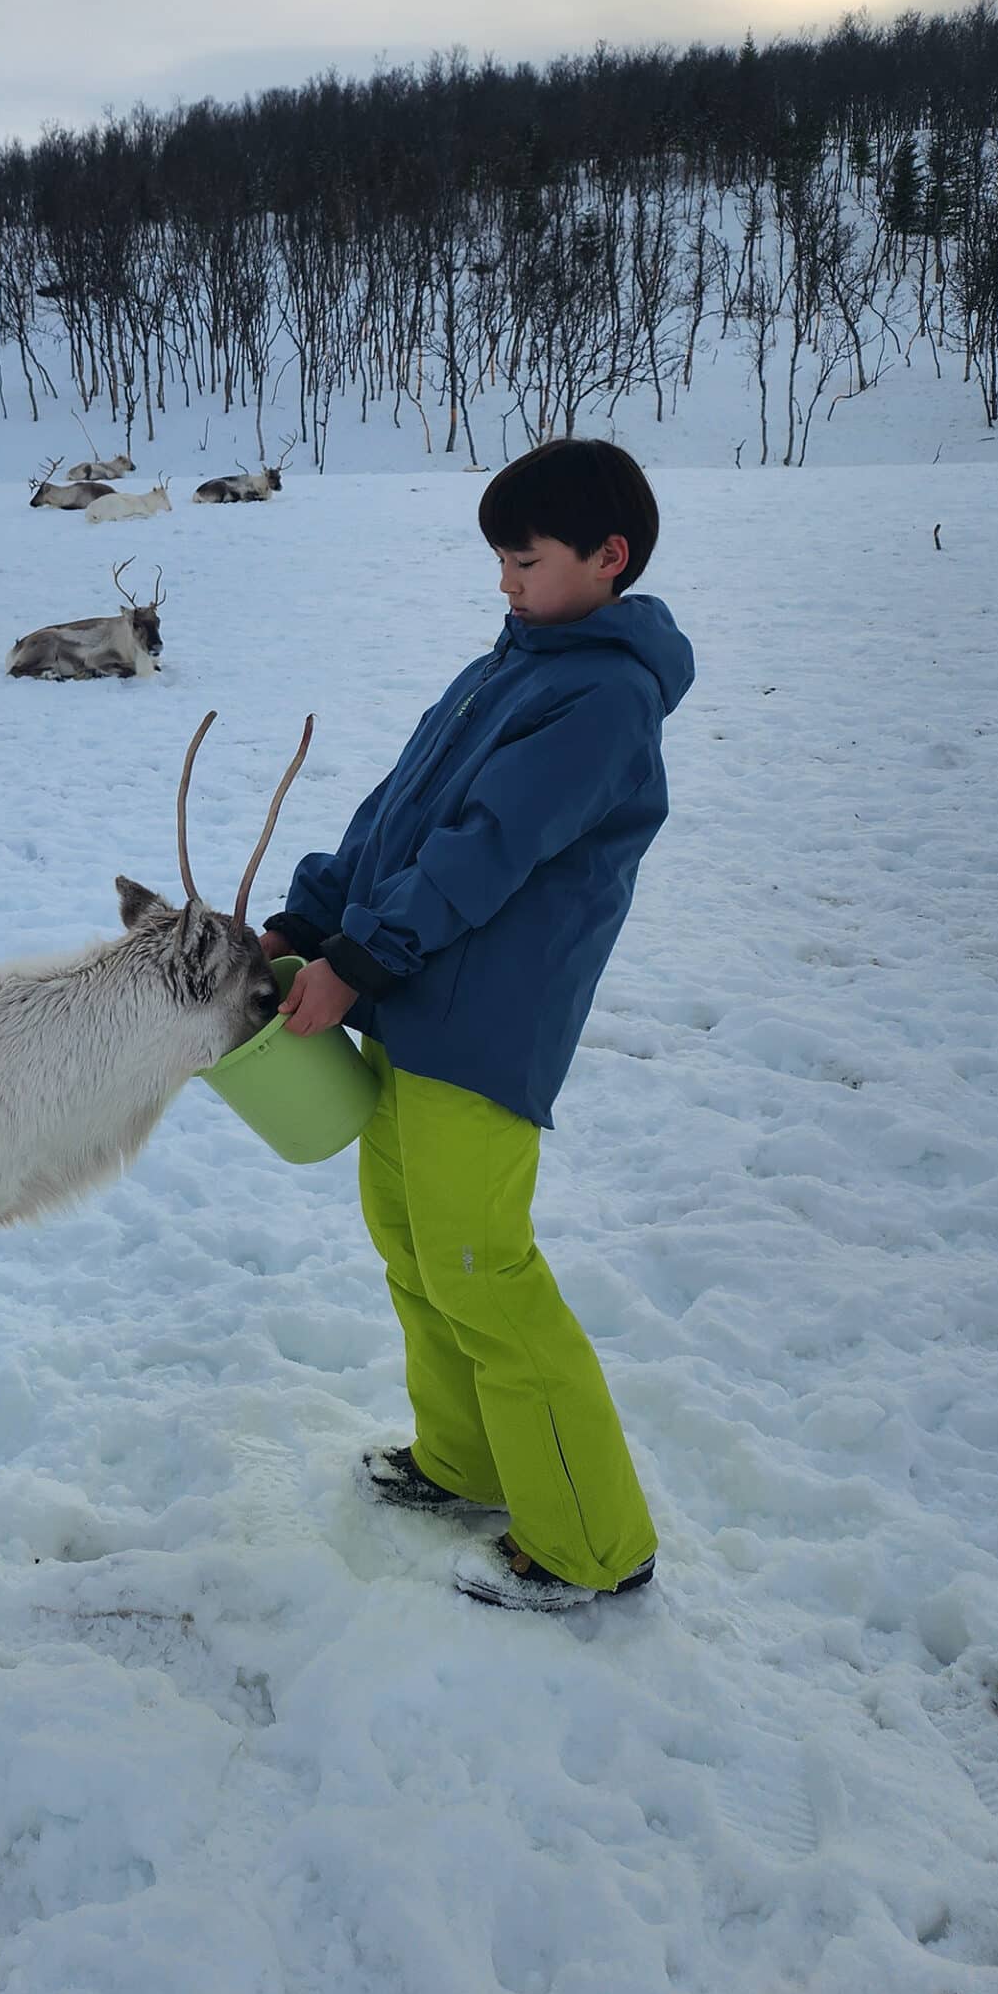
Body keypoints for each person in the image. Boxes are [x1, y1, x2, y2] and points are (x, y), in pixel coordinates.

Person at [262, 439, 693, 1611]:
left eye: (525, 559)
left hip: (483, 1025)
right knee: (412, 1241)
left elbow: (479, 856)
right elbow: (397, 812)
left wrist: (355, 961)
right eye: (499, 559)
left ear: (608, 559)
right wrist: (310, 915)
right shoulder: (513, 663)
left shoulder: (602, 699)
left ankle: (591, 1544)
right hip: (414, 1004)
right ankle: (468, 1460)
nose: (505, 581)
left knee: (481, 1268)